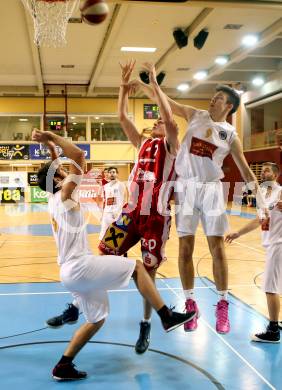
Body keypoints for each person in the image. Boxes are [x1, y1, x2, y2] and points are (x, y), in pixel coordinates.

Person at [32, 128, 195, 381]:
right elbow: (77, 155)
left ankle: (63, 365)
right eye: (63, 174)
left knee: (97, 319)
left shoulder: (54, 199)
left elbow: (57, 165)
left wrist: (50, 148)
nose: (66, 173)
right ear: (56, 181)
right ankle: (166, 316)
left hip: (69, 271)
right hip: (79, 267)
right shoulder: (65, 194)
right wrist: (50, 137)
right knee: (138, 267)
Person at [45, 60, 179, 355]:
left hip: (155, 217)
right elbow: (121, 116)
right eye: (153, 121)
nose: (157, 121)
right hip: (131, 214)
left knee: (148, 272)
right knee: (103, 253)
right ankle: (75, 306)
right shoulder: (143, 143)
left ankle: (146, 324)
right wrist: (123, 86)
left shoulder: (171, 146)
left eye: (159, 121)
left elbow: (170, 120)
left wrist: (154, 83)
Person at [134, 79, 267, 334]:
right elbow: (166, 103)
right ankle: (191, 305)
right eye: (213, 97)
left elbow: (246, 171)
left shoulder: (230, 135)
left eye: (217, 98)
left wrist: (261, 203)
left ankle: (223, 303)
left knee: (216, 247)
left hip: (211, 189)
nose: (212, 100)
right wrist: (145, 83)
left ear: (229, 105)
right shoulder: (196, 115)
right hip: (186, 187)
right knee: (185, 248)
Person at [226, 162, 282, 343]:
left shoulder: (280, 192)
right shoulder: (263, 197)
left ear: (275, 174)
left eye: (267, 170)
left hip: (278, 245)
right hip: (272, 245)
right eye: (262, 169)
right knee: (275, 287)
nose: (263, 172)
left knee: (269, 288)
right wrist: (238, 233)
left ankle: (273, 330)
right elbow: (259, 221)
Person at [99, 166, 127, 240]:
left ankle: (121, 251)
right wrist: (102, 214)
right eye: (110, 172)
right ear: (108, 174)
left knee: (118, 235)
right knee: (103, 234)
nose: (112, 174)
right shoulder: (105, 186)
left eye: (114, 172)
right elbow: (105, 200)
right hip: (107, 213)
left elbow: (125, 199)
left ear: (117, 174)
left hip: (117, 214)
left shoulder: (121, 185)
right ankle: (104, 250)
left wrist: (119, 212)